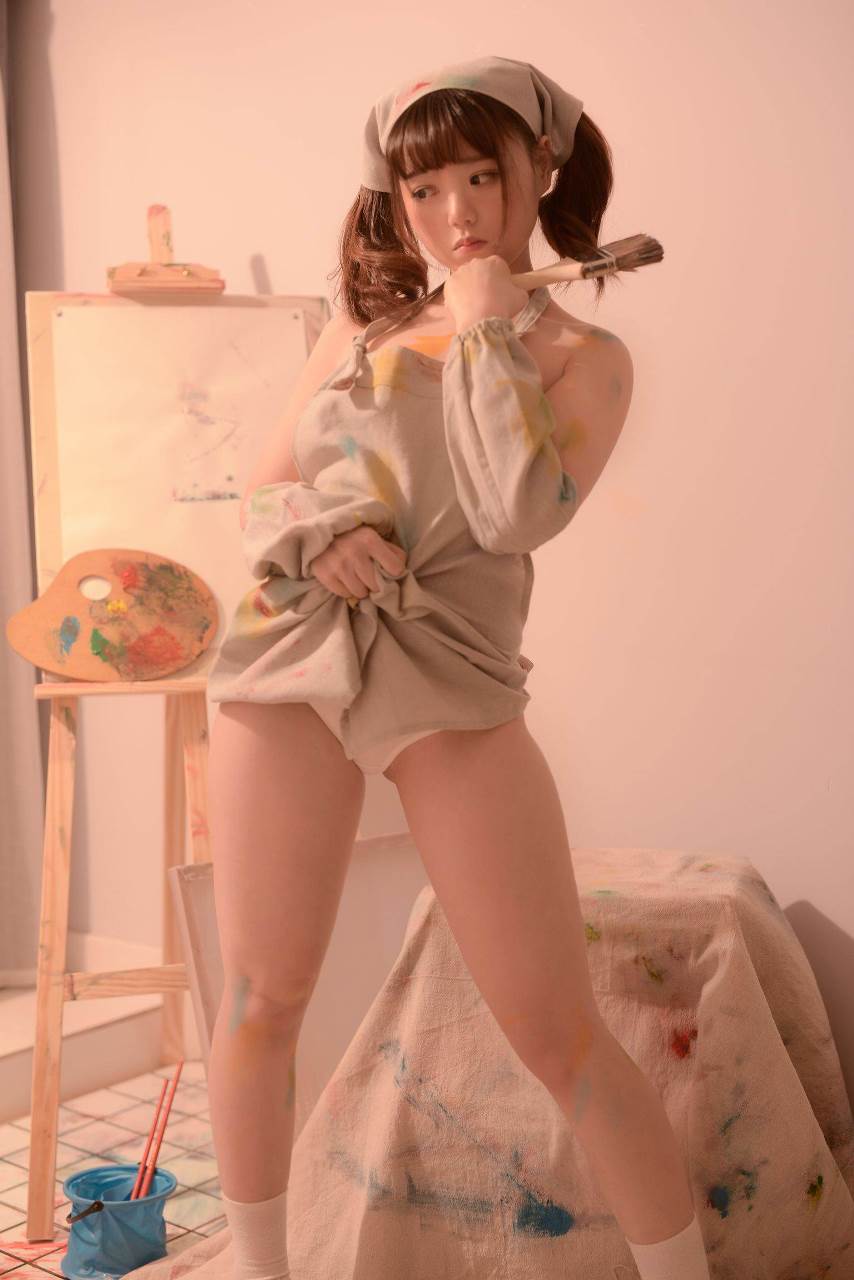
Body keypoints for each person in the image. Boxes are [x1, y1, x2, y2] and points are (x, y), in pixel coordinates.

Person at [148, 56, 709, 1280]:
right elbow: (261, 497)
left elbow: (512, 513)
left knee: (559, 1034)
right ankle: (259, 1270)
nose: (454, 214)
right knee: (258, 999)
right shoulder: (360, 328)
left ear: (537, 172)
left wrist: (486, 327)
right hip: (290, 648)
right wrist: (320, 536)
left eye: (478, 179)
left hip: (448, 676)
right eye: (422, 190)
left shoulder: (583, 355)